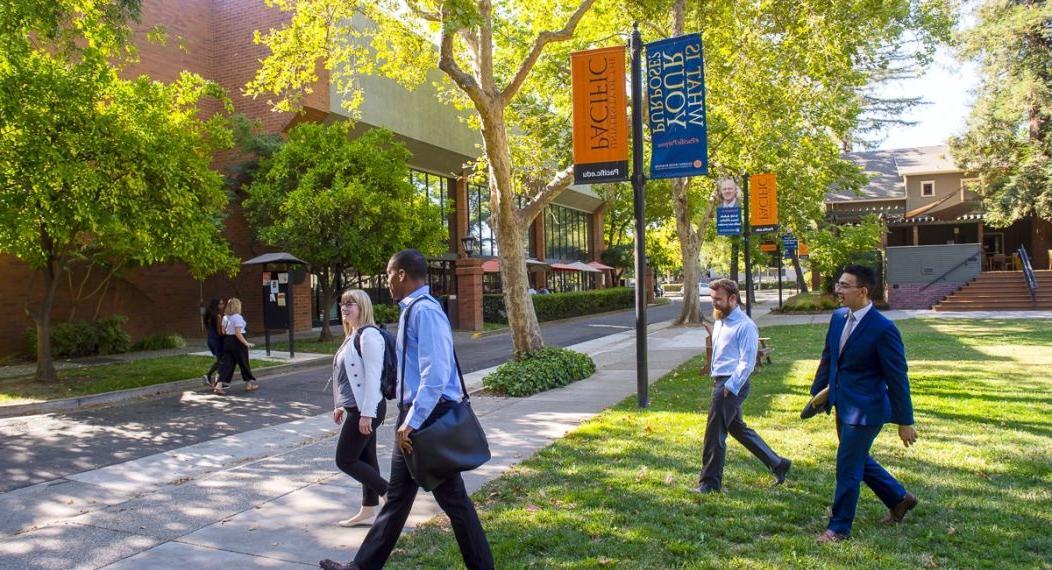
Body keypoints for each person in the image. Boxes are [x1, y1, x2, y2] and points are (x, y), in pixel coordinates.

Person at [320, 249, 493, 570]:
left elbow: (437, 373)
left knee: (455, 502)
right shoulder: (413, 310)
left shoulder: (424, 312)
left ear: (401, 274)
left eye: (388, 274)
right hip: (415, 418)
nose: (386, 281)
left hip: (426, 419)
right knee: (397, 500)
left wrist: (411, 421)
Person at [811, 265, 918, 543]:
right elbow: (829, 358)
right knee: (857, 459)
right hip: (842, 405)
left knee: (847, 466)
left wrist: (905, 420)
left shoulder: (883, 329)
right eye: (838, 284)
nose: (838, 290)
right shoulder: (837, 318)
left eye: (845, 286)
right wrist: (817, 396)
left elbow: (897, 377)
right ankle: (899, 498)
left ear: (863, 291)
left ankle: (839, 527)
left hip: (867, 411)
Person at [695, 278, 791, 494]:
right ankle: (778, 463)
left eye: (718, 299)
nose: (714, 304)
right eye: (712, 299)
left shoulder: (745, 325)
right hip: (721, 380)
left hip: (731, 384)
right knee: (737, 428)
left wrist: (731, 387)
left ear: (733, 298)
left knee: (714, 434)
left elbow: (747, 362)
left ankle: (709, 483)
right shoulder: (721, 320)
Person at [330, 289, 388, 528]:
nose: (345, 308)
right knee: (367, 458)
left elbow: (373, 378)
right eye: (343, 304)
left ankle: (391, 494)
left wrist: (367, 414)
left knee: (345, 459)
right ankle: (368, 509)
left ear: (362, 307)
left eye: (350, 304)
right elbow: (346, 376)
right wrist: (340, 404)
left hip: (368, 408)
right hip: (355, 408)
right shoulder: (352, 335)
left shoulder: (370, 336)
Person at [215, 297, 258, 395]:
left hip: (228, 341)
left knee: (227, 364)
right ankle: (248, 384)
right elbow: (238, 333)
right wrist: (246, 343)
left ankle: (219, 385)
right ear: (237, 306)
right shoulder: (237, 317)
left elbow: (224, 331)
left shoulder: (227, 317)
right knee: (243, 363)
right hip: (237, 342)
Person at [201, 298, 225, 387]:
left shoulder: (210, 316)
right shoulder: (216, 316)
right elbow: (220, 331)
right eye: (221, 304)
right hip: (217, 341)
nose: (222, 306)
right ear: (216, 305)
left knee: (220, 360)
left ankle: (212, 377)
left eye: (223, 304)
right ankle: (216, 381)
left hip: (211, 340)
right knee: (221, 360)